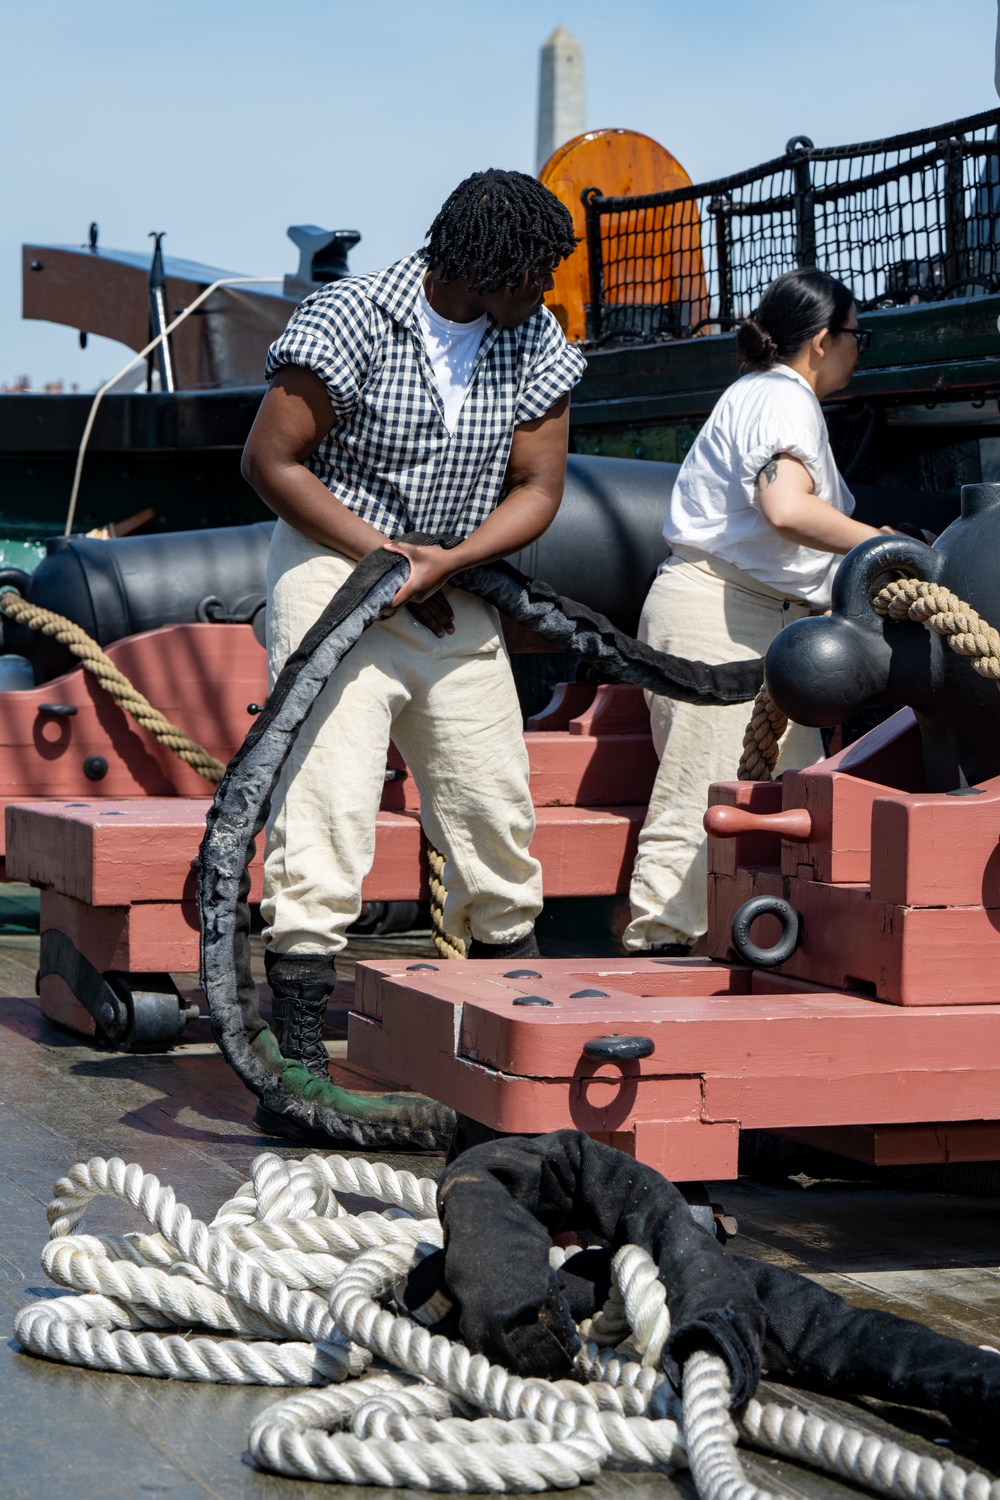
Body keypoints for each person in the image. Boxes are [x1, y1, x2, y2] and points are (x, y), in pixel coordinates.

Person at [240, 169, 585, 1088]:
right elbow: (272, 460)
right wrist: (387, 556)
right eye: (536, 275)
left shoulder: (534, 342)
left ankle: (519, 1014)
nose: (545, 293)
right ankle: (302, 1040)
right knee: (327, 796)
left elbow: (539, 487)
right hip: (332, 559)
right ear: (491, 268)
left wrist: (444, 562)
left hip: (449, 572)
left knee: (491, 798)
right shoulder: (351, 319)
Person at [623, 267, 890, 958]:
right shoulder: (783, 397)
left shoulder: (764, 394)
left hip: (761, 621)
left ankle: (747, 947)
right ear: (824, 340)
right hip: (725, 615)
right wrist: (886, 546)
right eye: (858, 336)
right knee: (704, 797)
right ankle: (663, 951)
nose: (861, 350)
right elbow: (787, 508)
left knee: (780, 807)